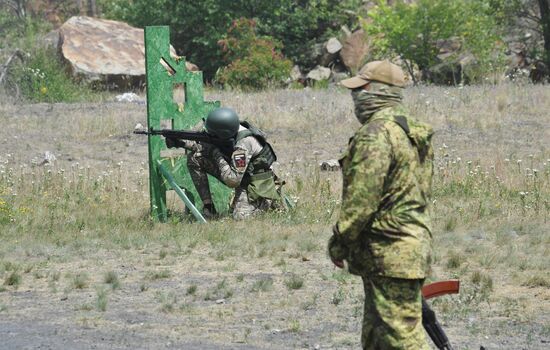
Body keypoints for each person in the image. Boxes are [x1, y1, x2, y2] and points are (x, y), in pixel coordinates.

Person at [328, 60, 435, 349]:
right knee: (377, 338)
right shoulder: (410, 130)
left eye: (359, 90)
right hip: (408, 246)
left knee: (401, 338)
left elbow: (362, 201)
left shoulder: (377, 133)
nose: (355, 99)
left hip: (389, 251)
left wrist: (339, 242)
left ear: (376, 91)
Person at [166, 107, 283, 220]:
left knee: (240, 216)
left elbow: (232, 180)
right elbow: (205, 146)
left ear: (222, 133)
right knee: (195, 158)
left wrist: (216, 154)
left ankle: (267, 204)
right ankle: (209, 207)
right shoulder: (231, 131)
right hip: (244, 177)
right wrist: (181, 143)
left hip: (257, 184)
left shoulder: (244, 143)